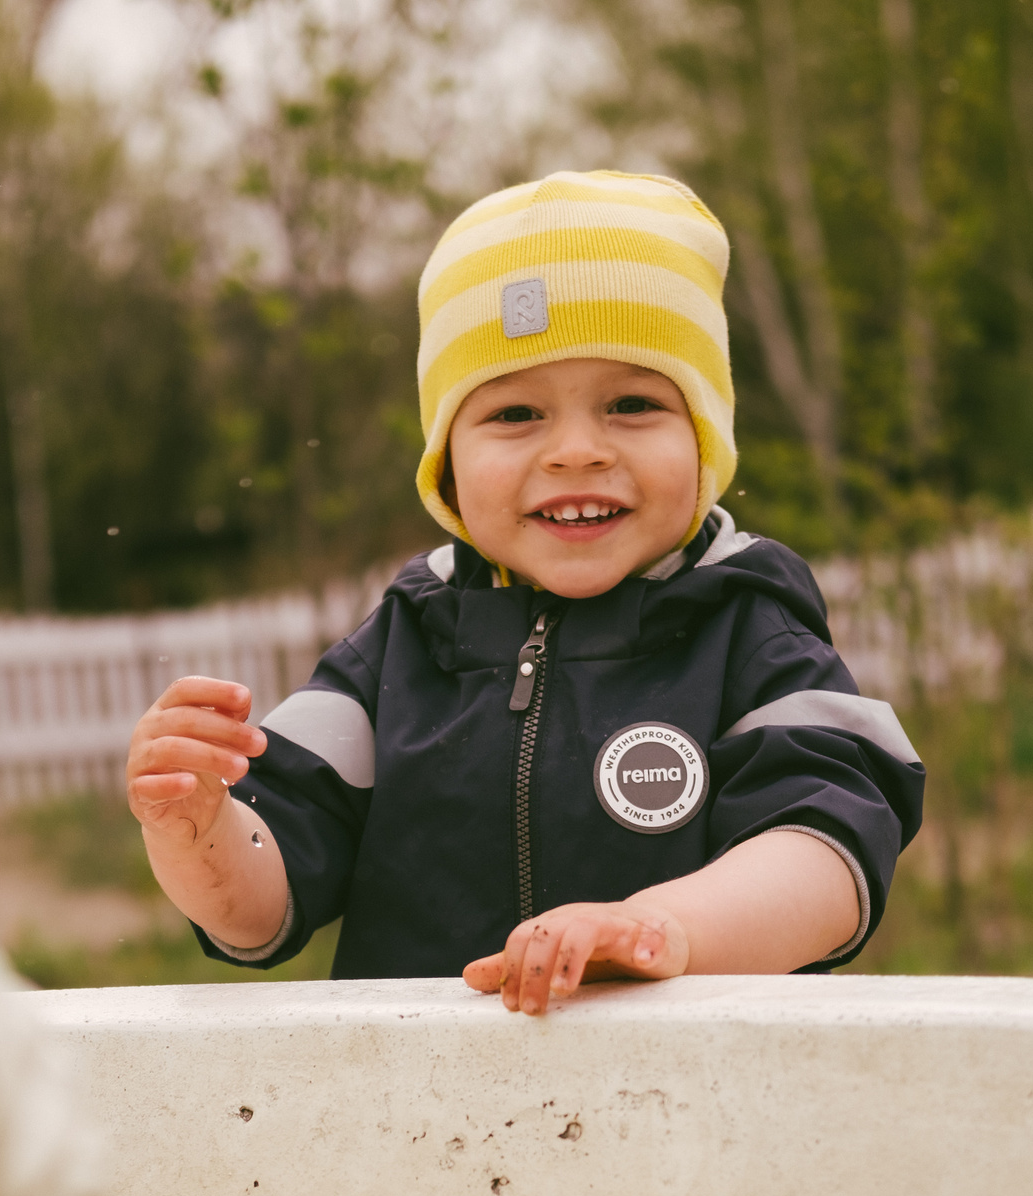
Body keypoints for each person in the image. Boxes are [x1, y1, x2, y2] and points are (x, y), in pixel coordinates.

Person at [125, 170, 924, 1014]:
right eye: (515, 415)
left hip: (688, 1114)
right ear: (447, 459)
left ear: (705, 434)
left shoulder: (747, 623)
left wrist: (657, 929)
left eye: (631, 403)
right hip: (426, 1120)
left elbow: (827, 851)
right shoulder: (405, 643)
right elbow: (263, 904)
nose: (576, 450)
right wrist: (198, 831)